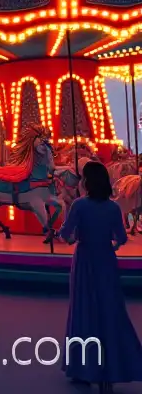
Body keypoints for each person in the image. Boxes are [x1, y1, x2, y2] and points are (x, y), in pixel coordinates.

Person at [60, 161, 142, 389]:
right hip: (106, 260)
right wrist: (112, 247)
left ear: (86, 181)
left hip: (85, 260)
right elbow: (122, 238)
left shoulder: (78, 205)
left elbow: (66, 234)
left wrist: (64, 234)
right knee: (111, 309)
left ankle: (83, 368)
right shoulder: (113, 208)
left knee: (84, 309)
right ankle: (113, 368)